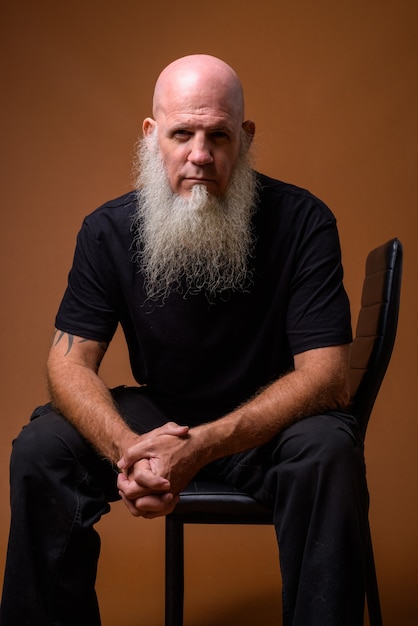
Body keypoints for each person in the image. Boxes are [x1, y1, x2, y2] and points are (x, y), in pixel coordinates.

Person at [0, 54, 369, 626]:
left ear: (244, 139)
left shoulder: (304, 221)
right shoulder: (107, 230)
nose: (200, 154)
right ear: (152, 137)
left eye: (218, 135)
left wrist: (199, 447)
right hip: (161, 414)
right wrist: (129, 446)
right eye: (182, 134)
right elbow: (68, 365)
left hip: (270, 424)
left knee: (328, 451)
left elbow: (325, 376)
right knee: (40, 450)